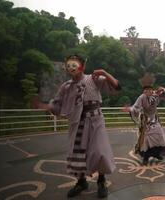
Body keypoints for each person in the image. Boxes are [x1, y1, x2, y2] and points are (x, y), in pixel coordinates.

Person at [32, 54, 121, 198]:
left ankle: (101, 180)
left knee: (100, 152)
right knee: (77, 154)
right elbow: (56, 104)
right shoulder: (66, 87)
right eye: (68, 65)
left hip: (95, 120)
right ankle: (81, 182)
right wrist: (43, 106)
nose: (71, 68)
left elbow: (117, 87)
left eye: (74, 65)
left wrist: (104, 73)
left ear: (82, 66)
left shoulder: (93, 79)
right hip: (77, 121)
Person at [122, 73, 165, 165]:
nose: (147, 91)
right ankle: (145, 157)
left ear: (152, 90)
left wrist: (164, 90)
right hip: (146, 120)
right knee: (146, 139)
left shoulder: (156, 95)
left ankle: (159, 154)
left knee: (160, 135)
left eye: (149, 90)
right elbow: (135, 107)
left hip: (155, 119)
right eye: (145, 90)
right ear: (143, 91)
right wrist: (129, 109)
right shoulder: (141, 97)